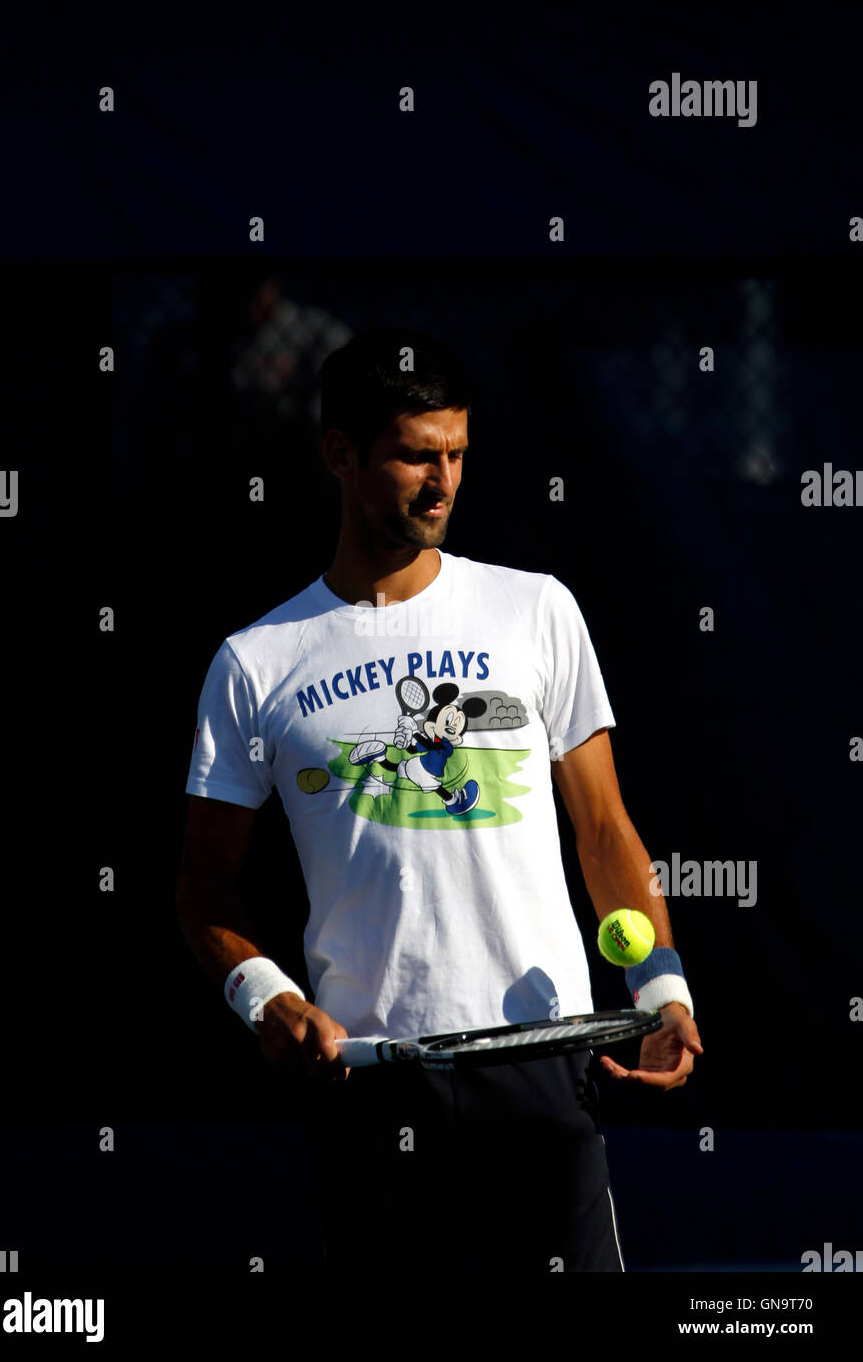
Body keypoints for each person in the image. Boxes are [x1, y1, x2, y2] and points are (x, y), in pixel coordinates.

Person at [176, 326, 704, 1274]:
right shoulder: (255, 662)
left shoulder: (536, 609)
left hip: (544, 1068)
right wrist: (269, 1000)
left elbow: (605, 829)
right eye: (417, 455)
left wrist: (661, 987)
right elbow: (203, 892)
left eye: (457, 453)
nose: (444, 481)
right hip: (375, 1089)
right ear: (339, 453)